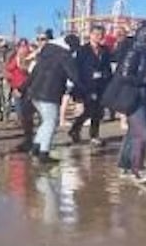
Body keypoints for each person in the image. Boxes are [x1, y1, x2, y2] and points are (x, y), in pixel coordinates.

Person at [104, 23, 146, 183]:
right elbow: (125, 76)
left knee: (134, 133)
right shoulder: (134, 52)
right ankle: (137, 170)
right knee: (142, 134)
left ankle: (124, 165)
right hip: (133, 97)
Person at [24, 32, 83, 164]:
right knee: (51, 122)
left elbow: (35, 71)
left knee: (46, 121)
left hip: (35, 91)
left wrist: (25, 87)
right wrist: (81, 89)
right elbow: (74, 76)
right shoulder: (65, 56)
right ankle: (44, 153)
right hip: (50, 92)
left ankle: (36, 147)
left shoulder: (46, 53)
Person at [69, 25, 113, 146]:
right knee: (89, 110)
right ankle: (75, 129)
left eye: (101, 35)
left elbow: (108, 67)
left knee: (98, 111)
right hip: (87, 85)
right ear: (91, 35)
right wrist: (78, 86)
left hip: (101, 85)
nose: (98, 37)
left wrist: (106, 77)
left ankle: (94, 135)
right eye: (96, 34)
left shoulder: (105, 50)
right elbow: (77, 68)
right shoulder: (82, 50)